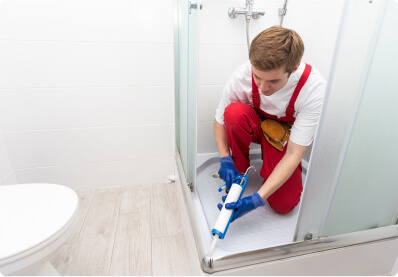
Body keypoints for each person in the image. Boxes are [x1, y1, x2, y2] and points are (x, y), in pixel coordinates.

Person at [214, 26, 326, 222]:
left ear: (294, 67)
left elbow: (294, 153)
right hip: (255, 124)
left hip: (283, 138)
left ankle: (271, 162)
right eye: (257, 77)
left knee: (285, 205)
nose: (263, 87)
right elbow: (219, 121)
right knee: (233, 112)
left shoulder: (313, 89)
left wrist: (256, 199)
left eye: (273, 81)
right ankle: (240, 168)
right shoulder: (242, 75)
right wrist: (225, 159)